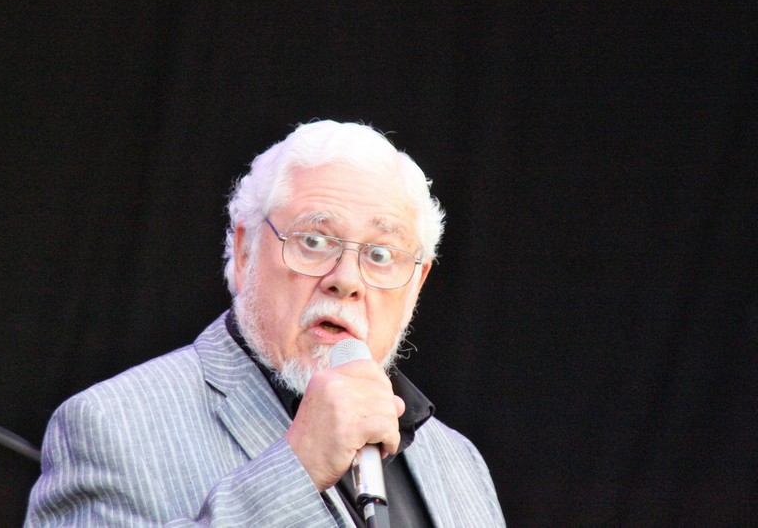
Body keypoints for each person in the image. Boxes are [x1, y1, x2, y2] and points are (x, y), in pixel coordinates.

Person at [25, 120, 506, 527]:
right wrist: (295, 470)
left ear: (417, 283)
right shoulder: (109, 426)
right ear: (244, 249)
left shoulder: (458, 463)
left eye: (380, 255)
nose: (346, 280)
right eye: (314, 241)